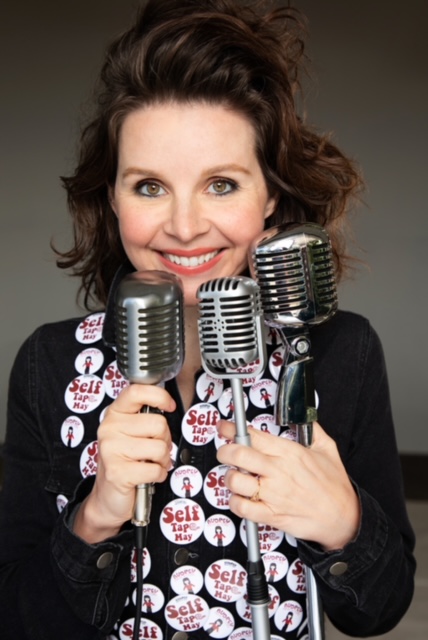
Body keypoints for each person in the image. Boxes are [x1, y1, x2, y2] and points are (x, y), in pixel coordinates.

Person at [0, 1, 416, 639]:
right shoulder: (48, 364)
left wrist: (343, 522)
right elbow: (18, 618)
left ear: (270, 194)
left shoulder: (339, 350)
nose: (187, 226)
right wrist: (95, 517)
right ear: (110, 195)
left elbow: (377, 611)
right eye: (149, 186)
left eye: (221, 183)